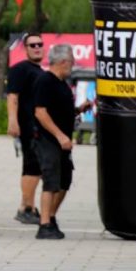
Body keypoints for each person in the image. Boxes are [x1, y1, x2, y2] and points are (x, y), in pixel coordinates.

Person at [32, 44, 91, 240]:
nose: (72, 66)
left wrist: (79, 110)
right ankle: (44, 225)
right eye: (72, 62)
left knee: (65, 181)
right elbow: (40, 113)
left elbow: (60, 111)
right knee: (51, 181)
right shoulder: (45, 81)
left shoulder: (62, 84)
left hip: (63, 142)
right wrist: (59, 135)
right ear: (63, 62)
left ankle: (51, 216)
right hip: (48, 140)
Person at [6, 33, 45, 225]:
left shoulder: (38, 70)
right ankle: (26, 207)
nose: (37, 47)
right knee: (32, 166)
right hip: (28, 126)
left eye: (40, 44)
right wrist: (13, 121)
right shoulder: (21, 69)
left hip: (38, 126)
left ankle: (27, 205)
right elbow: (12, 97)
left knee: (34, 167)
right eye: (33, 45)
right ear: (26, 48)